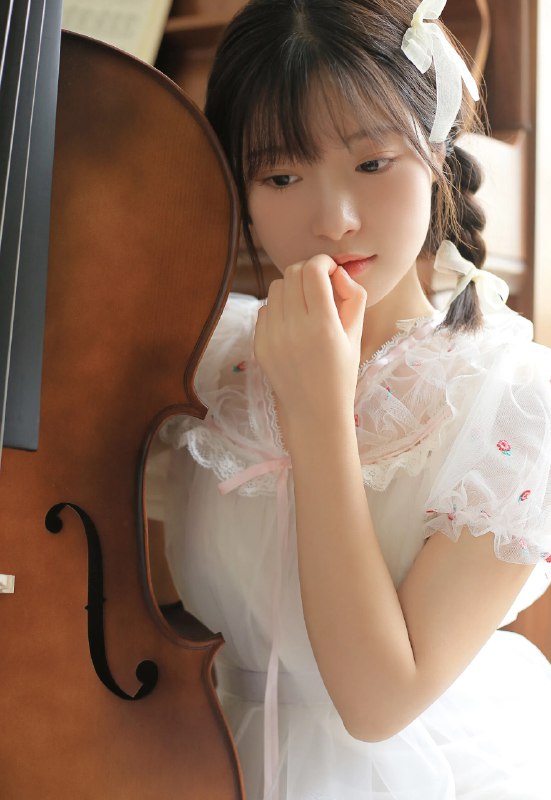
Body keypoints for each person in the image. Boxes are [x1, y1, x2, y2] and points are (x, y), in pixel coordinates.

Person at [147, 1, 551, 797]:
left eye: (371, 164)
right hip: (192, 756)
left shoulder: (512, 402)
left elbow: (375, 704)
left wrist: (318, 410)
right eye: (281, 176)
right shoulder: (204, 358)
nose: (331, 220)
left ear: (434, 154)